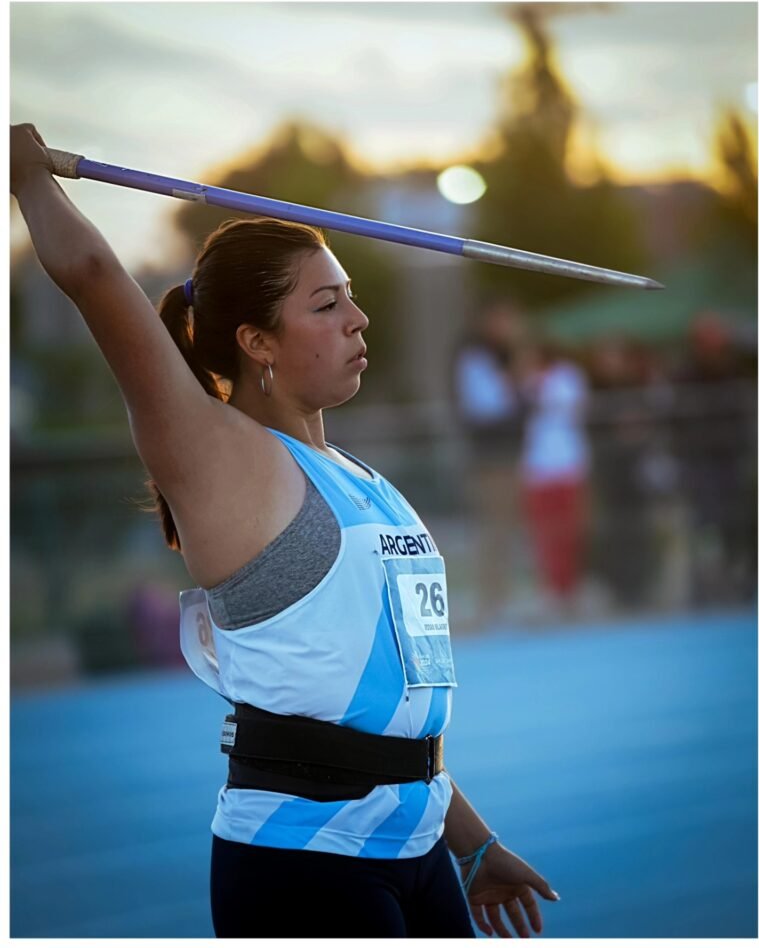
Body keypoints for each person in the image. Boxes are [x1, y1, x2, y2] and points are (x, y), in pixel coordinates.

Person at [11, 122, 560, 938]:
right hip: (303, 867)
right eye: (328, 304)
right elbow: (93, 276)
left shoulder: (367, 483)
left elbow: (388, 718)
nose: (360, 319)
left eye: (352, 299)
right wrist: (26, 175)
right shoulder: (222, 457)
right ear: (257, 342)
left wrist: (473, 847)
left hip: (417, 853)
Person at [452, 299, 529, 627]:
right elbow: (483, 408)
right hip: (492, 456)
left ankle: (502, 598)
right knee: (492, 530)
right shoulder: (475, 357)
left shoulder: (508, 355)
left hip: (515, 453)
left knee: (509, 530)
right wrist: (515, 393)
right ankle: (490, 602)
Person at [519, 340, 591, 619]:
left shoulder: (567, 376)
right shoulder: (526, 381)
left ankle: (571, 589)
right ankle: (549, 590)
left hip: (568, 464)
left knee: (569, 531)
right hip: (538, 468)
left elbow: (574, 408)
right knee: (543, 533)